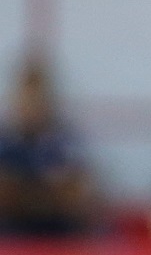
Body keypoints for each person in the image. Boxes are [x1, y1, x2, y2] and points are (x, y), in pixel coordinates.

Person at [0, 54, 97, 237]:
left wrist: (25, 194)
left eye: (37, 98)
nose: (31, 105)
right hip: (11, 235)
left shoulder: (65, 140)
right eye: (26, 97)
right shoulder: (5, 140)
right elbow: (5, 195)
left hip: (60, 235)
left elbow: (74, 195)